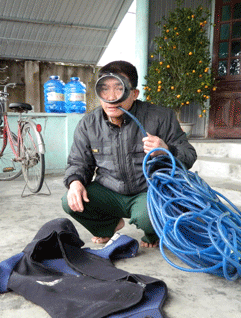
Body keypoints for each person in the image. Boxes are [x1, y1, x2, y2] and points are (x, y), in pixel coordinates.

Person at [61, 60, 197, 248]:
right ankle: (108, 226)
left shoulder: (160, 117)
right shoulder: (88, 124)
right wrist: (75, 182)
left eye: (119, 89)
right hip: (110, 190)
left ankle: (153, 232)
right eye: (105, 89)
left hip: (147, 190)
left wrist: (167, 150)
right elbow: (78, 162)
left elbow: (188, 154)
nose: (111, 98)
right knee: (70, 200)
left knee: (148, 217)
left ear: (134, 94)